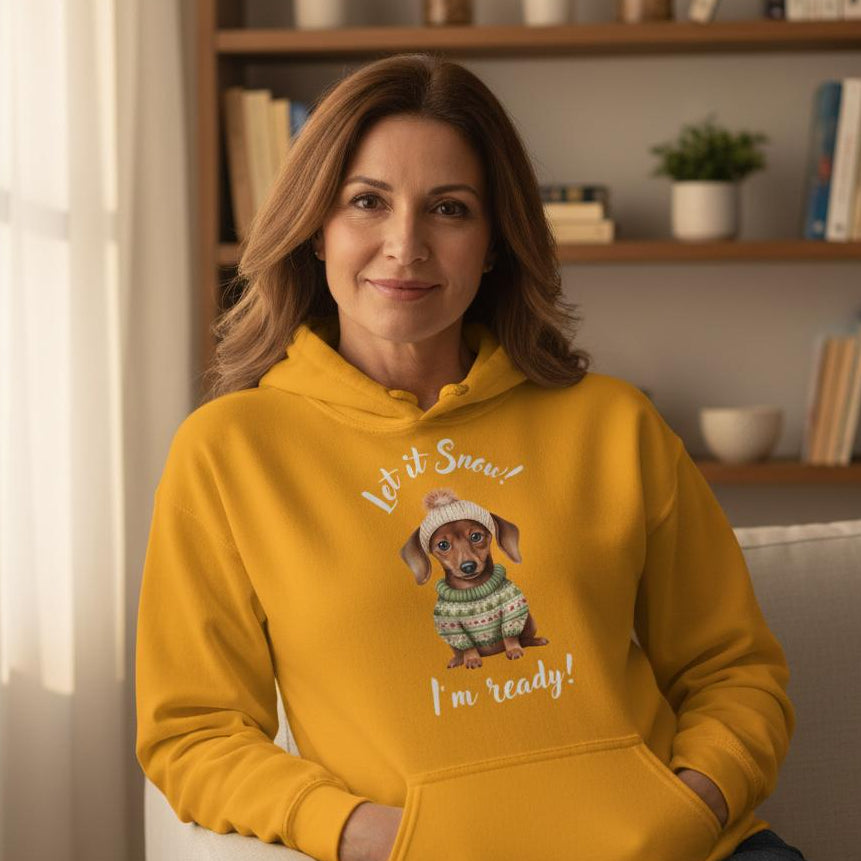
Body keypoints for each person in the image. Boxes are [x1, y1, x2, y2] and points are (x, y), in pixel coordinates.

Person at [135, 53, 807, 861]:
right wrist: (362, 833)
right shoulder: (230, 452)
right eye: (366, 202)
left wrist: (694, 799)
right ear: (317, 230)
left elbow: (732, 667)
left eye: (449, 209)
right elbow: (193, 731)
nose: (405, 244)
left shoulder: (613, 424)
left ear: (493, 242)